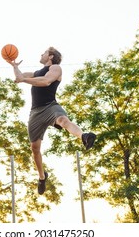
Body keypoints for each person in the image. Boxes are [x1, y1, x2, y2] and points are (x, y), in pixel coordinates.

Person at [8, 46, 96, 195]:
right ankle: (42, 177)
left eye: (44, 53)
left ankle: (85, 136)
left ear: (50, 56)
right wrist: (15, 67)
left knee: (63, 120)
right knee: (35, 149)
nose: (41, 54)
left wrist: (23, 79)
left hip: (50, 107)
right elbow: (20, 76)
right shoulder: (37, 72)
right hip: (35, 112)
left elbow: (46, 81)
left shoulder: (55, 68)